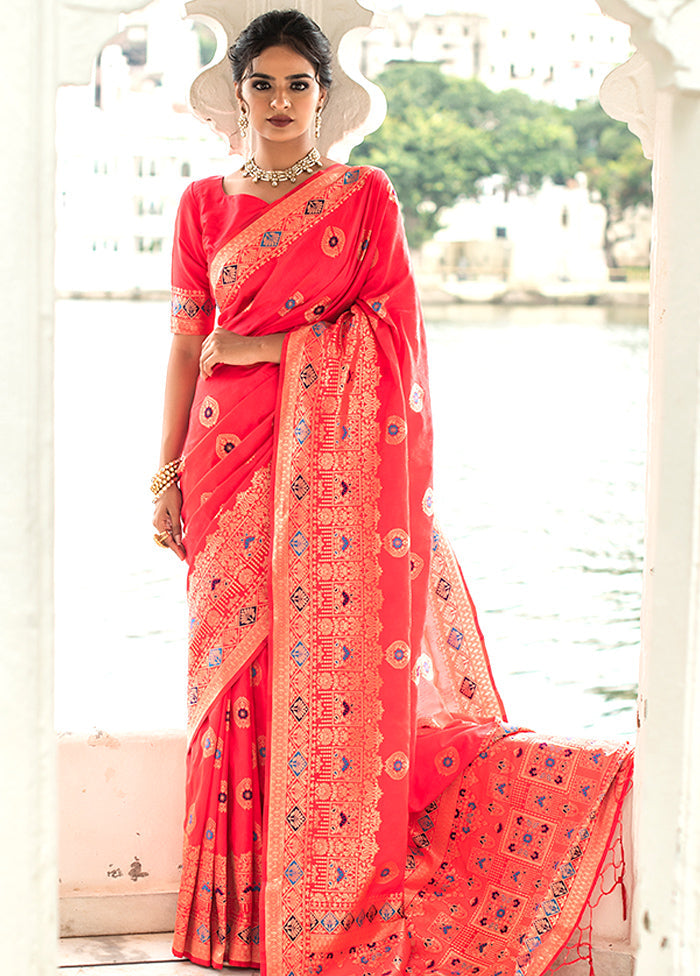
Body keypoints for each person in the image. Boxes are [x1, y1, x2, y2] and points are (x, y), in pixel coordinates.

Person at [152, 9, 633, 974]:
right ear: (237, 93)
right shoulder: (202, 206)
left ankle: (317, 900)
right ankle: (236, 920)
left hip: (327, 471)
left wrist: (275, 344)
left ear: (325, 97)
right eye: (263, 84)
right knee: (229, 681)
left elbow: (394, 343)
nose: (281, 102)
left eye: (298, 85)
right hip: (222, 466)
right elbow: (182, 346)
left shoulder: (365, 197)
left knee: (312, 670)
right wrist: (163, 469)